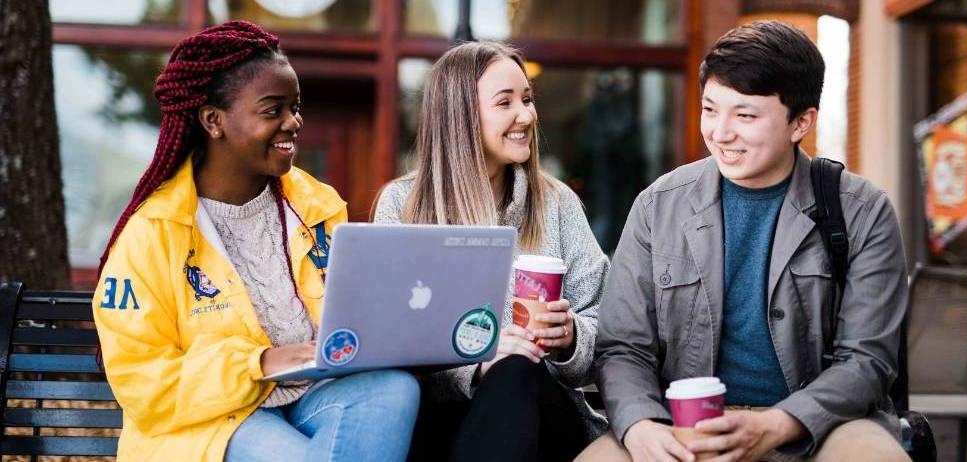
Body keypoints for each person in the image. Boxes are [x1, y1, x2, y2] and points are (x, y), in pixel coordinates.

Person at [581, 21, 910, 462]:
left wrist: (777, 424)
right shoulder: (657, 206)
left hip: (823, 426)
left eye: (745, 115)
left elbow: (867, 360)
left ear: (801, 122)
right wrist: (641, 423)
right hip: (682, 425)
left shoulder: (862, 210)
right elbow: (623, 347)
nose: (720, 132)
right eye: (711, 109)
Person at [92, 21, 419, 462]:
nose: (294, 122)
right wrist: (259, 363)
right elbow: (141, 384)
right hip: (211, 420)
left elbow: (349, 314)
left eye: (296, 107)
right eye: (273, 110)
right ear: (214, 121)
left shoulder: (317, 206)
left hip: (310, 395)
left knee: (395, 389)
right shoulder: (151, 234)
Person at [373, 41, 608, 461]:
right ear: (460, 116)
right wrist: (477, 364)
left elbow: (607, 327)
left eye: (528, 99)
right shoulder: (403, 204)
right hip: (442, 417)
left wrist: (570, 338)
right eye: (506, 103)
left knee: (517, 369)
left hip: (542, 415)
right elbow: (388, 340)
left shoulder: (556, 203)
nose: (527, 115)